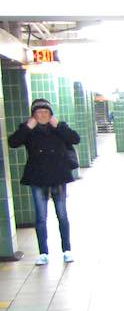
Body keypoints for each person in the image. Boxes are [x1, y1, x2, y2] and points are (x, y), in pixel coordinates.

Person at [8, 97, 80, 265]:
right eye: (38, 112)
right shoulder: (28, 129)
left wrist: (59, 126)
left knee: (62, 214)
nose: (42, 115)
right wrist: (27, 127)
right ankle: (43, 252)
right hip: (38, 177)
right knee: (41, 217)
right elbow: (13, 142)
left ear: (51, 114)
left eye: (45, 112)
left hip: (58, 176)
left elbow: (75, 139)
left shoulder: (58, 128)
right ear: (33, 115)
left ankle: (67, 250)